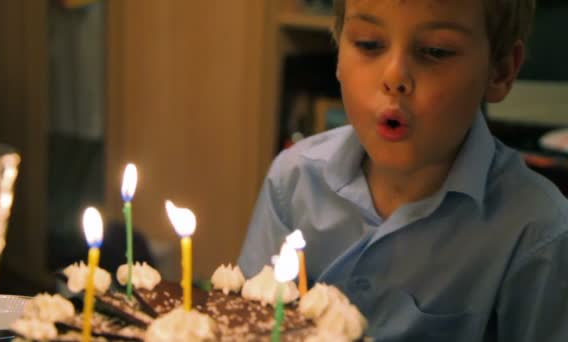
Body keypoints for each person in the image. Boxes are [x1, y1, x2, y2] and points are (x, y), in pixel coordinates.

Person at [238, 0, 568, 340]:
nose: (394, 77)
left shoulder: (538, 236)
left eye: (435, 51)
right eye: (369, 44)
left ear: (499, 71)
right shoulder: (293, 181)